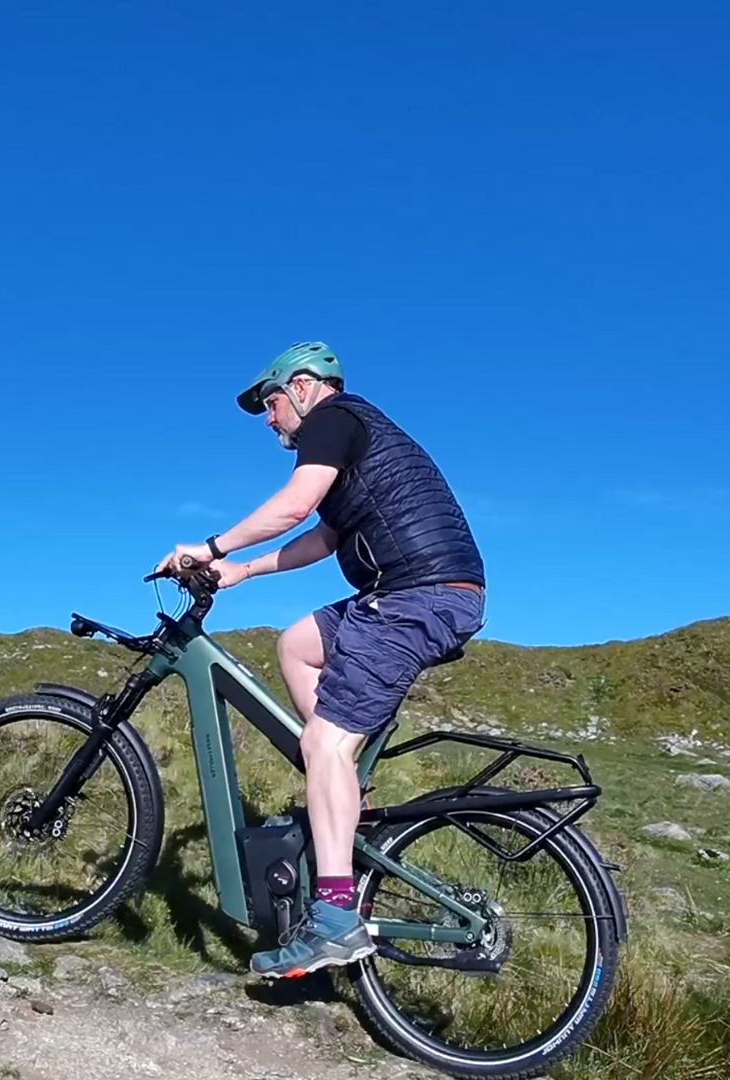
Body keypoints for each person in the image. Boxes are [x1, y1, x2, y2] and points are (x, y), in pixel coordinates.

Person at [156, 341, 486, 978]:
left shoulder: (336, 420)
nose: (268, 418)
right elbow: (323, 536)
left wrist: (207, 546)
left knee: (327, 743)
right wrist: (241, 570)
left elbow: (292, 506)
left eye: (271, 402)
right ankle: (342, 793)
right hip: (407, 592)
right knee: (297, 646)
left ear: (304, 388)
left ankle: (335, 916)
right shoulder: (353, 443)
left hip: (420, 595)